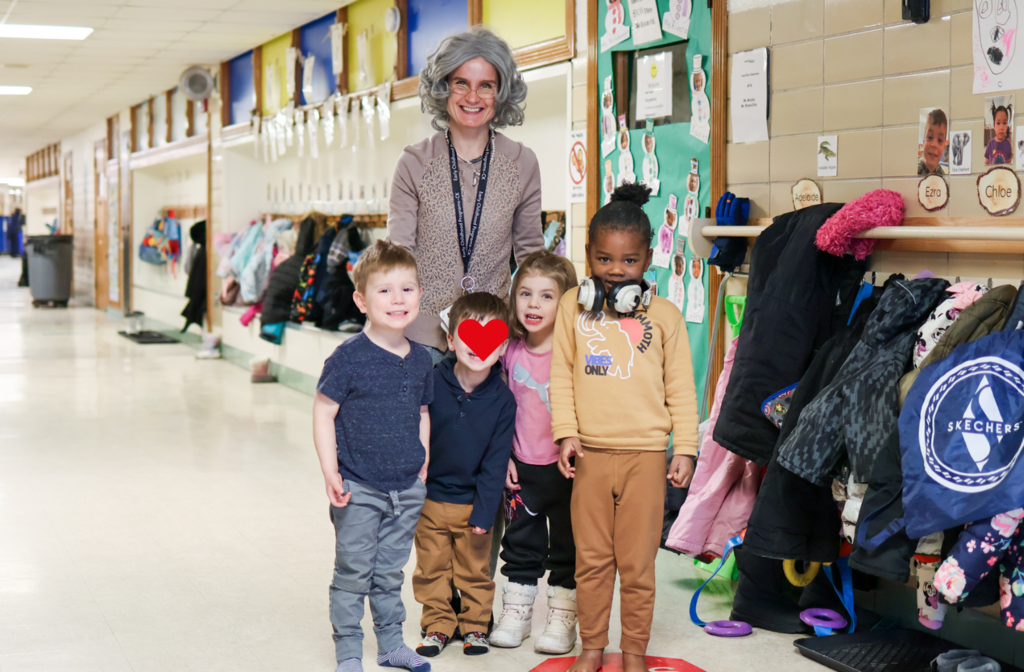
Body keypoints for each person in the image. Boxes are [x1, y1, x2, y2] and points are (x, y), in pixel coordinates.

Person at [551, 183, 699, 672]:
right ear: (588, 256)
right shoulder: (573, 307)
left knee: (637, 566)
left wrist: (686, 448)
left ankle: (633, 651)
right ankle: (592, 647)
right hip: (590, 456)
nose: (616, 271)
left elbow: (681, 389)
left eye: (629, 261)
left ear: (648, 258)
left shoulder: (666, 316)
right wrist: (565, 434)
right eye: (603, 260)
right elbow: (561, 377)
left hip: (645, 459)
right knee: (591, 562)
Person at [387, 27, 545, 364]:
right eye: (461, 83)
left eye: (485, 86)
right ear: (444, 87)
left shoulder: (522, 163)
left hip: (492, 338)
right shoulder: (414, 162)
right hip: (422, 339)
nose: (472, 97)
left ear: (500, 93)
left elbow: (532, 256)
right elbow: (399, 256)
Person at [313, 240, 434, 672]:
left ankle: (390, 644)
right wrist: (331, 470)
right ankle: (348, 652)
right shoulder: (348, 358)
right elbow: (324, 411)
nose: (398, 299)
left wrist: (423, 463)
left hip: (406, 488)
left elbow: (422, 412)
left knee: (389, 573)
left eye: (407, 288)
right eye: (385, 291)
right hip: (358, 486)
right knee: (353, 573)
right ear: (361, 300)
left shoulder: (422, 360)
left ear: (421, 294)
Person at [413, 292, 517, 659]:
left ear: (502, 346)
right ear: (452, 339)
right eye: (470, 335)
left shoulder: (504, 402)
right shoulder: (429, 381)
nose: (478, 345)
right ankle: (438, 624)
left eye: (490, 337)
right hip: (428, 501)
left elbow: (495, 462)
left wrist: (485, 513)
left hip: (473, 504)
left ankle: (475, 625)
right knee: (431, 570)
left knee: (475, 571)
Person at [489, 251, 580, 654]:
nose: (533, 304)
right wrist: (503, 455)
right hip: (521, 468)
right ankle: (517, 613)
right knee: (520, 543)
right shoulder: (508, 351)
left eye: (546, 296)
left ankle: (562, 619)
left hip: (567, 471)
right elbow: (496, 408)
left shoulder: (576, 354)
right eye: (525, 293)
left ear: (566, 303)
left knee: (568, 545)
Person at [918, 108, 948, 175]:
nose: (934, 144)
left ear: (944, 147)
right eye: (930, 137)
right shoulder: (916, 171)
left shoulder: (941, 174)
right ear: (923, 142)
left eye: (940, 140)